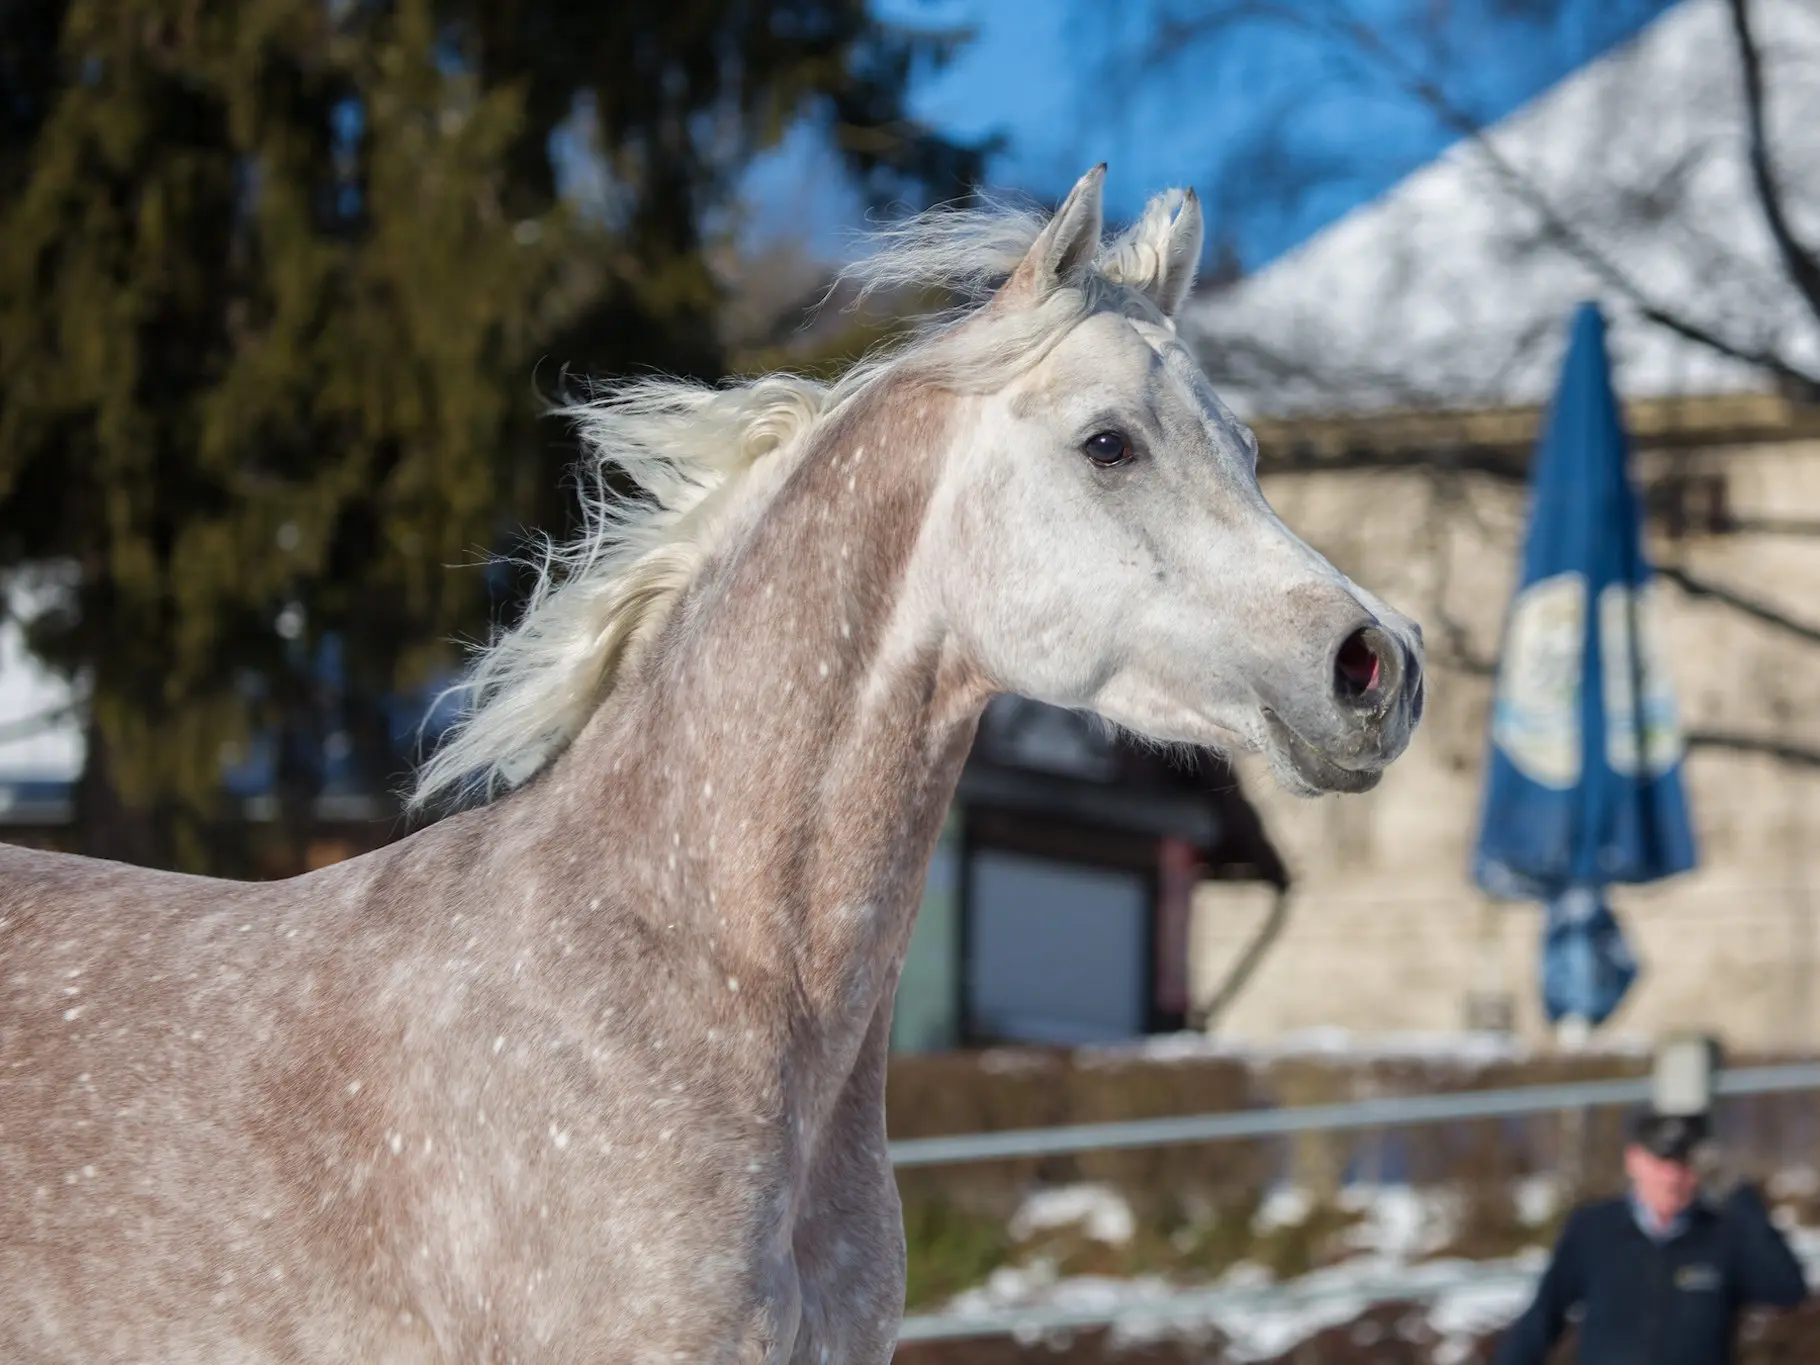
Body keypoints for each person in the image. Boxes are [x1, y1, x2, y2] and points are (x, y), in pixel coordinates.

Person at [1494, 1109, 1808, 1365]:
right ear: (1634, 1161)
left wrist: (1744, 1203)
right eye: (1662, 1163)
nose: (1672, 1178)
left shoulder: (1721, 1235)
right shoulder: (1594, 1229)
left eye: (1684, 1166)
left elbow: (1787, 1289)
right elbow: (1544, 1317)